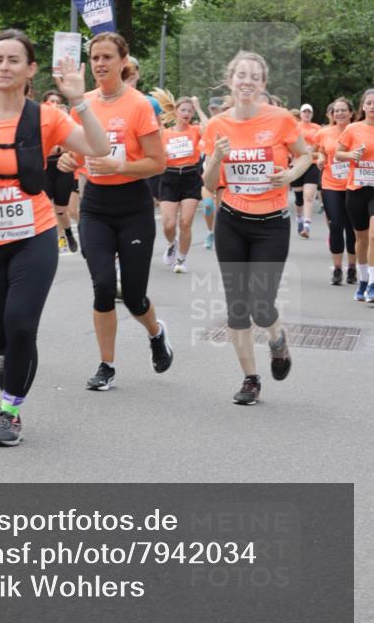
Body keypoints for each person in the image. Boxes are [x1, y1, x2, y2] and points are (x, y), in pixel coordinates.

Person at [0, 29, 109, 445]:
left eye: (14, 60)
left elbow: (98, 147)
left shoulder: (46, 116)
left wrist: (79, 100)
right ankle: (10, 362)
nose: (4, 67)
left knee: (21, 324)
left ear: (30, 69)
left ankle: (10, 411)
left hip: (34, 234)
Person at [59, 32, 171, 392]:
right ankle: (106, 364)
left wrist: (118, 166)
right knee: (104, 286)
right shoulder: (83, 102)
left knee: (135, 296)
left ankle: (156, 333)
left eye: (108, 57)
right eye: (95, 58)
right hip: (96, 207)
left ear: (124, 62)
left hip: (133, 206)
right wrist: (68, 160)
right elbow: (78, 153)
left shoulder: (140, 105)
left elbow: (157, 163)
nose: (100, 64)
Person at [202, 51, 312, 405]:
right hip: (232, 221)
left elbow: (306, 155)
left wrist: (292, 173)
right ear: (230, 80)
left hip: (272, 225)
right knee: (238, 307)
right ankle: (250, 379)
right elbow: (208, 183)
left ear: (263, 84)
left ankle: (277, 340)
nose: (247, 81)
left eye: (254, 77)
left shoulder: (280, 119)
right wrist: (217, 158)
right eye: (241, 75)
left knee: (262, 305)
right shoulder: (216, 125)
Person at [154, 90, 206, 273]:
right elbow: (155, 154)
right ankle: (171, 243)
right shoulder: (164, 133)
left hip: (190, 176)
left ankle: (182, 260)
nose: (186, 113)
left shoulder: (196, 130)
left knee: (185, 222)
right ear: (176, 112)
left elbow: (210, 129)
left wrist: (199, 108)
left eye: (190, 111)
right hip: (169, 177)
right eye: (183, 110)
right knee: (168, 223)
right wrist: (163, 155)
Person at [335, 89, 374, 302]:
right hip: (357, 189)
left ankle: (373, 284)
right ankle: (364, 280)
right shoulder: (353, 129)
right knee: (361, 239)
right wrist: (351, 155)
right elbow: (338, 153)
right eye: (369, 103)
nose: (373, 106)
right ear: (363, 106)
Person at [315, 98, 357, 285]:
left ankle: (353, 268)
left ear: (351, 113)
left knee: (353, 228)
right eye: (336, 111)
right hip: (331, 184)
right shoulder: (324, 133)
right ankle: (338, 269)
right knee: (336, 225)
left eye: (343, 110)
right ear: (332, 114)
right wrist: (320, 158)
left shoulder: (357, 130)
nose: (339, 114)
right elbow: (317, 151)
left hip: (353, 184)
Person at [42, 89, 79, 254]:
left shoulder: (66, 121)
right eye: (51, 101)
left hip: (62, 169)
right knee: (45, 207)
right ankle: (55, 239)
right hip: (45, 170)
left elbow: (74, 144)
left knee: (61, 210)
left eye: (57, 101)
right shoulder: (39, 121)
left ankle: (69, 233)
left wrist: (56, 148)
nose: (54, 105)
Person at [292, 103, 321, 238]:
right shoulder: (295, 127)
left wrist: (315, 152)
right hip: (298, 164)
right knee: (299, 199)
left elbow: (321, 146)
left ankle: (307, 225)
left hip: (312, 164)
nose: (307, 114)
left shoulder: (317, 128)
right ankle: (299, 218)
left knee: (309, 196)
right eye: (305, 112)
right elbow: (289, 144)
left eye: (309, 112)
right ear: (301, 114)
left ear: (312, 114)